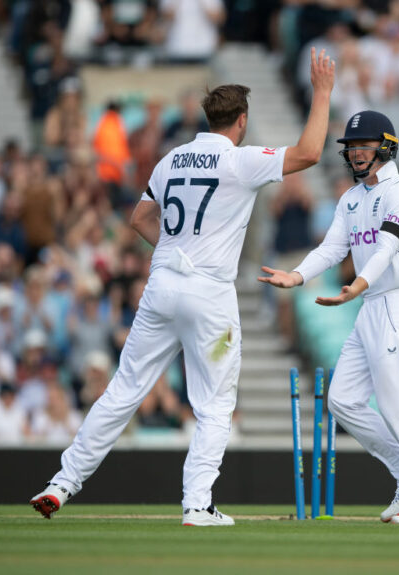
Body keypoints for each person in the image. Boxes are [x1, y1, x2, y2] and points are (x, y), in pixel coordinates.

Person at [30, 47, 336, 526]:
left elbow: (139, 218)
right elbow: (311, 153)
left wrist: (175, 249)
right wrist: (322, 94)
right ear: (240, 120)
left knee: (122, 390)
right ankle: (197, 504)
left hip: (162, 285)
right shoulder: (239, 161)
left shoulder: (171, 160)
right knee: (215, 406)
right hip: (209, 291)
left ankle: (61, 484)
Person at [259, 110, 399, 525]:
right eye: (351, 148)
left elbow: (386, 248)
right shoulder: (351, 198)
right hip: (371, 305)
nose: (355, 154)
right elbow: (333, 248)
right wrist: (297, 275)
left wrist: (360, 284)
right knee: (343, 400)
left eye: (363, 147)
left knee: (393, 402)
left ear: (386, 147)